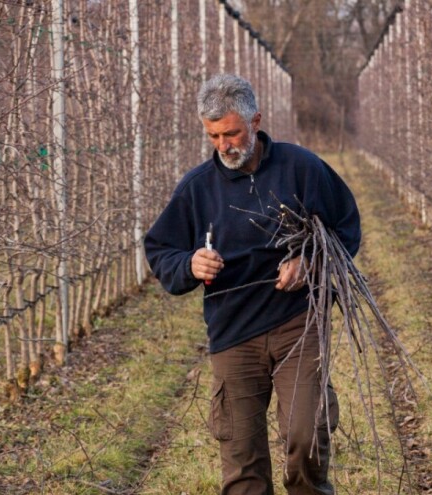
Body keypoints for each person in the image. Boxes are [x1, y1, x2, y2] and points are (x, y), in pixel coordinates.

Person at [144, 73, 360, 495]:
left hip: (298, 324)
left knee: (306, 439)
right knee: (243, 465)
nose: (223, 146)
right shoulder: (196, 189)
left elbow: (346, 229)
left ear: (256, 120)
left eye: (231, 133)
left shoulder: (303, 169)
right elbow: (160, 252)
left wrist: (310, 262)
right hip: (233, 335)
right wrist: (190, 263)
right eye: (213, 136)